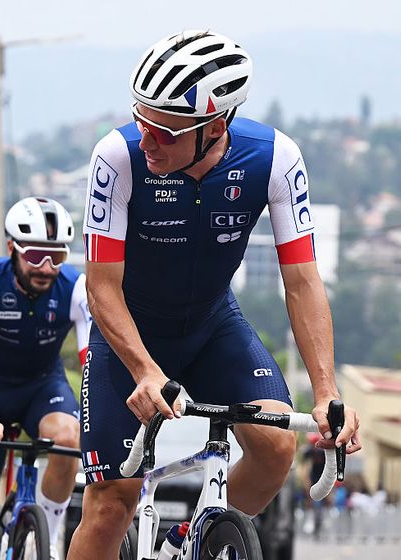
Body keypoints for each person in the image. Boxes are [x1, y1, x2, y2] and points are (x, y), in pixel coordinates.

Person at [68, 30, 361, 559]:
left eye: (165, 131)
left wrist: (325, 393)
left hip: (211, 324)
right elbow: (100, 286)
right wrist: (143, 369)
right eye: (141, 121)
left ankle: (191, 546)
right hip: (129, 333)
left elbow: (302, 281)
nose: (147, 139)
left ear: (216, 126)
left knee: (277, 450)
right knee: (113, 501)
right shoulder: (117, 156)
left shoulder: (273, 158)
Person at [0, 197, 91, 560]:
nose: (46, 267)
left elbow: (93, 364)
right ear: (12, 247)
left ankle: (46, 535)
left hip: (42, 389)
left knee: (68, 436)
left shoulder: (77, 288)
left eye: (57, 257)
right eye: (34, 256)